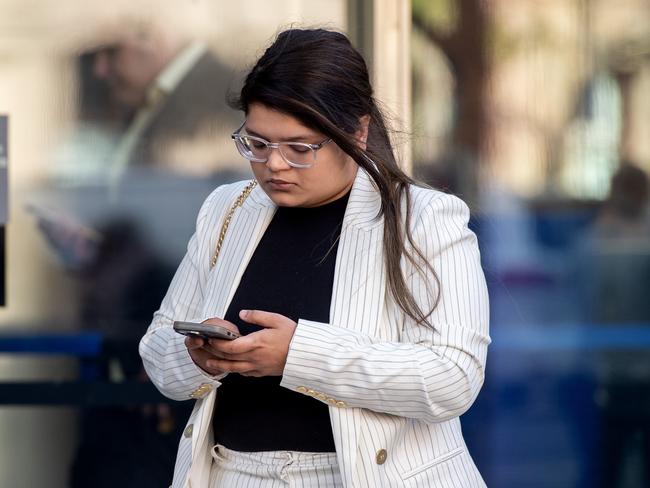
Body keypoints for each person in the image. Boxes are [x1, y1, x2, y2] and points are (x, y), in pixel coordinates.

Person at [140, 28, 490, 488]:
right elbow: (158, 351)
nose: (274, 165)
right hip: (235, 473)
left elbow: (453, 377)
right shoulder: (228, 209)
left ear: (358, 132)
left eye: (300, 148)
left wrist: (298, 355)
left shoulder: (421, 219)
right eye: (257, 144)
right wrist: (202, 359)